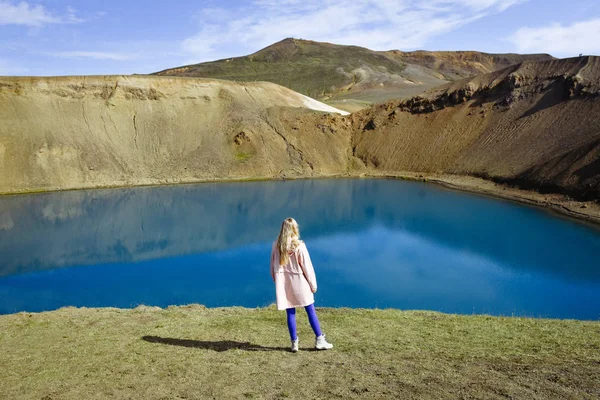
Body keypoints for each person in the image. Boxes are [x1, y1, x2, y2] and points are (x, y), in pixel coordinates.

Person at [270, 218, 333, 352]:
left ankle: (294, 343)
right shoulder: (299, 246)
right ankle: (320, 339)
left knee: (290, 313)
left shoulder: (276, 245)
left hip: (285, 285)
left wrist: (277, 280)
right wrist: (313, 285)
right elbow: (307, 268)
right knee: (310, 310)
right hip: (300, 284)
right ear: (294, 229)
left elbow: (272, 267)